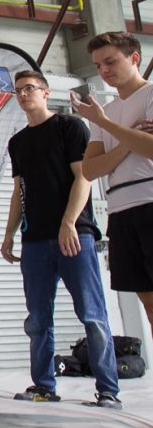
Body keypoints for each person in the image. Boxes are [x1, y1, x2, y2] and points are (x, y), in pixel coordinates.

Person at [1, 69, 121, 409]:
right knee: (38, 318)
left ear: (45, 91)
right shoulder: (18, 142)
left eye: (29, 88)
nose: (23, 95)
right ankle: (44, 386)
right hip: (35, 241)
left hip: (74, 236)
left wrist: (69, 222)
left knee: (92, 313)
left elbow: (83, 177)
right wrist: (10, 233)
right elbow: (18, 191)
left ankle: (108, 390)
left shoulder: (70, 127)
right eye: (18, 91)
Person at [75, 31, 153, 338]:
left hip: (150, 201)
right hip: (120, 210)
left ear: (134, 58)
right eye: (97, 65)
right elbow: (91, 169)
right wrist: (126, 140)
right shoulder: (103, 114)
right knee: (146, 299)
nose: (104, 70)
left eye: (110, 61)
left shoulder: (148, 95)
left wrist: (108, 124)